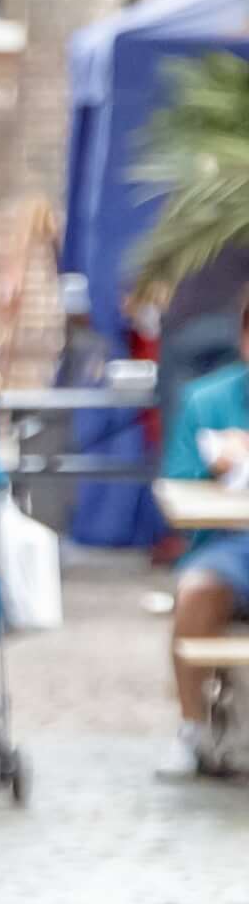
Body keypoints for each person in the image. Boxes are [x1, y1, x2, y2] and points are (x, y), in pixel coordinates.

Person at [158, 282, 249, 769]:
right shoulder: (206, 401)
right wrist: (221, 469)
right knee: (195, 592)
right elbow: (176, 485)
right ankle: (193, 726)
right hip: (232, 545)